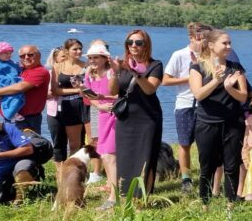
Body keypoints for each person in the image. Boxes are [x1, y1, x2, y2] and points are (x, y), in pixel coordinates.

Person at [190, 30, 248, 209]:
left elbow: (243, 96)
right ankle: (205, 205)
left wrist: (229, 88)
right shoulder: (197, 67)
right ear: (211, 45)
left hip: (232, 123)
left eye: (230, 43)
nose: (229, 46)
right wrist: (216, 81)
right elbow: (198, 95)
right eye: (225, 43)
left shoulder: (236, 67)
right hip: (206, 123)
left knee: (231, 166)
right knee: (207, 167)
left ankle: (230, 205)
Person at [109, 29, 164, 196]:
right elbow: (113, 91)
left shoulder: (155, 65)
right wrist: (115, 72)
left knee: (146, 156)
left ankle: (144, 195)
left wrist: (137, 74)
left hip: (147, 118)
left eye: (138, 42)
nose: (133, 45)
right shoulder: (122, 64)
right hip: (126, 118)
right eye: (130, 42)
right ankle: (124, 194)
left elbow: (150, 89)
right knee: (125, 156)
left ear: (146, 45)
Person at [163, 22, 211, 193]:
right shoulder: (179, 55)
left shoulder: (211, 55)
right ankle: (186, 178)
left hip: (207, 104)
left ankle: (208, 176)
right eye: (200, 38)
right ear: (191, 37)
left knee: (206, 144)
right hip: (185, 104)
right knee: (184, 143)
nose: (204, 42)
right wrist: (191, 77)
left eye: (207, 39)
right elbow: (166, 80)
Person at [82, 43, 119, 210]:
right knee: (104, 154)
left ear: (105, 58)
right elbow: (87, 93)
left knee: (110, 155)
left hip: (115, 113)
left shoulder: (112, 72)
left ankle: (113, 197)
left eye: (96, 57)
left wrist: (105, 101)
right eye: (90, 58)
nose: (92, 61)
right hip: (102, 114)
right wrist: (99, 105)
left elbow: (119, 94)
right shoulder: (89, 74)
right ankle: (112, 187)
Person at [48, 38, 87, 177]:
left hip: (85, 104)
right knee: (70, 143)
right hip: (67, 105)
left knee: (81, 142)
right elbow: (55, 90)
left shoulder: (86, 66)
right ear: (67, 51)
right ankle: (69, 173)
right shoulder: (58, 66)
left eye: (80, 49)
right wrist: (77, 90)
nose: (79, 51)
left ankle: (78, 171)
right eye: (75, 49)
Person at [0, 45, 49, 133]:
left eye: (30, 55)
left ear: (39, 55)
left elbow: (20, 87)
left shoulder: (40, 71)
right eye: (22, 56)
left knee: (29, 142)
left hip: (28, 120)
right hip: (10, 118)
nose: (26, 57)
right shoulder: (19, 70)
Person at [0, 119, 38, 205]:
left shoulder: (8, 129)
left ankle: (19, 200)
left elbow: (28, 149)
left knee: (24, 166)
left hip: (10, 173)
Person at [0, 42, 24, 121]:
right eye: (6, 53)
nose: (9, 55)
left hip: (11, 83)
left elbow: (15, 70)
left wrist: (20, 67)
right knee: (11, 97)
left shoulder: (10, 62)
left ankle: (12, 112)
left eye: (10, 53)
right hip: (0, 84)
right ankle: (11, 113)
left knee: (18, 96)